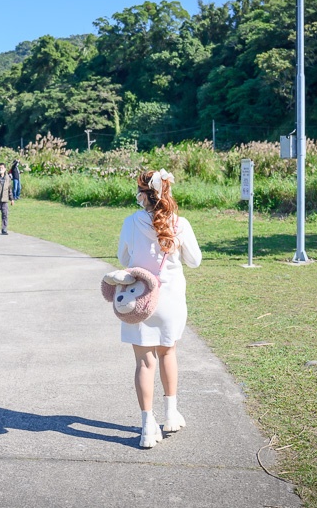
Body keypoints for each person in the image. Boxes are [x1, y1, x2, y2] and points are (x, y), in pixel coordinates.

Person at [118, 169, 202, 449]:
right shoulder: (181, 224)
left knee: (144, 362)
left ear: (143, 194)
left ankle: (146, 427)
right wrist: (176, 243)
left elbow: (123, 257)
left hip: (141, 298)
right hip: (171, 300)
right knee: (168, 352)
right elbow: (195, 261)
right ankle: (170, 414)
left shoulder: (131, 223)